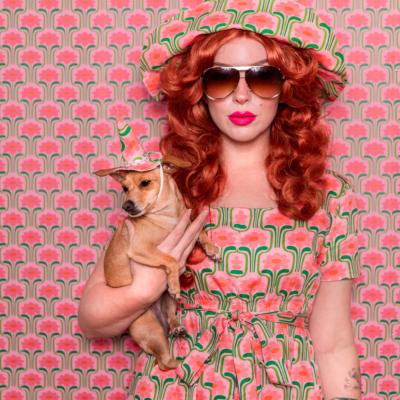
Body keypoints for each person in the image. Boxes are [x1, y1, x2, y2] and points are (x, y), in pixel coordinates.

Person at [78, 0, 362, 399]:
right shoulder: (167, 185)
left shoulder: (326, 198)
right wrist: (146, 289)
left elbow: (333, 343)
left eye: (262, 78)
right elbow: (92, 321)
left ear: (285, 88)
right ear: (199, 89)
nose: (242, 96)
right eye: (221, 79)